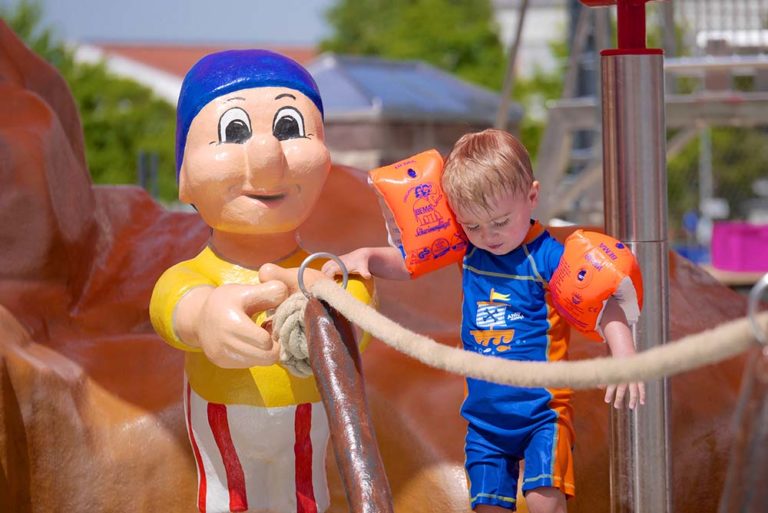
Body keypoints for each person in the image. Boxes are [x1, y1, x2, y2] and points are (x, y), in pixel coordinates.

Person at [322, 129, 645, 513]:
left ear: (532, 197)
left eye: (500, 222)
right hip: (485, 418)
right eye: (472, 225)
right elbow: (409, 264)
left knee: (545, 500)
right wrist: (368, 258)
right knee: (488, 506)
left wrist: (624, 356)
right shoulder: (468, 250)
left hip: (542, 410)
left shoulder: (546, 257)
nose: (488, 236)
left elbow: (602, 303)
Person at [149, 49, 373, 513]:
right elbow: (172, 301)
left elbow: (356, 303)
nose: (267, 157)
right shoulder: (197, 272)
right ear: (185, 177)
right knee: (228, 499)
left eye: (290, 128)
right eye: (234, 133)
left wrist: (344, 304)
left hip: (307, 415)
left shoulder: (319, 269)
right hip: (221, 410)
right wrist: (205, 316)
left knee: (306, 496)